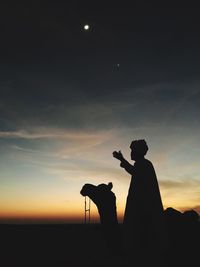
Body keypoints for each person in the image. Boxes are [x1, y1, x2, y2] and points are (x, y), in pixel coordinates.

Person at [113, 139, 166, 266]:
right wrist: (122, 160)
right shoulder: (143, 164)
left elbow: (134, 172)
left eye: (132, 150)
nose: (131, 153)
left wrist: (122, 159)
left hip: (143, 208)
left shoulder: (143, 164)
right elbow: (134, 172)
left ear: (138, 151)